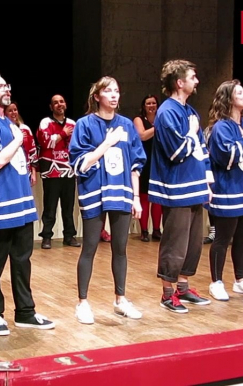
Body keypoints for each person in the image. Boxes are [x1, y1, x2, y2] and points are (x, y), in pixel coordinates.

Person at [0, 70, 55, 336]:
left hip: (21, 204)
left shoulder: (9, 122)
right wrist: (18, 139)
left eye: (7, 84)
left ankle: (26, 312)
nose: (7, 89)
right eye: (0, 86)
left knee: (22, 261)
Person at [69, 76, 145, 324]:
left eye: (117, 91)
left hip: (122, 192)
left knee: (120, 248)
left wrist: (136, 197)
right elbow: (81, 163)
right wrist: (106, 144)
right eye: (108, 91)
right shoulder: (84, 124)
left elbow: (135, 164)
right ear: (97, 96)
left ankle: (120, 299)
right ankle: (82, 302)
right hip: (94, 193)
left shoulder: (126, 125)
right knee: (89, 247)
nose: (114, 95)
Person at [148, 59, 212, 313]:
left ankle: (183, 289)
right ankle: (167, 294)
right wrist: (192, 131)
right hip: (176, 188)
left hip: (195, 186)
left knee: (193, 242)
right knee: (175, 243)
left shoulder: (190, 111)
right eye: (192, 77)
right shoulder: (167, 112)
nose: (196, 81)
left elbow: (201, 151)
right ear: (179, 82)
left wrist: (208, 181)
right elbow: (177, 152)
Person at [205, 80, 243, 301]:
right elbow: (226, 157)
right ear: (229, 98)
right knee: (223, 238)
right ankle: (216, 281)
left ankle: (241, 280)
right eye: (240, 92)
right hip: (228, 190)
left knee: (242, 238)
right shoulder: (221, 127)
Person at [36, 94, 80, 249]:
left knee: (68, 207)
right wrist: (62, 134)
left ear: (65, 104)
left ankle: (69, 235)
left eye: (61, 101)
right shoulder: (45, 122)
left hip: (68, 171)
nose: (59, 104)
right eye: (55, 102)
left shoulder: (73, 123)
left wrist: (59, 137)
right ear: (51, 107)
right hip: (51, 172)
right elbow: (46, 142)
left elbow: (77, 145)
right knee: (50, 206)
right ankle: (46, 236)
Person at [133, 94, 162, 242]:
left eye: (153, 103)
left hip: (159, 161)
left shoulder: (161, 118)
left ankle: (156, 230)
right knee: (144, 197)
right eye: (148, 104)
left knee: (157, 199)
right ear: (144, 106)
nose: (151, 106)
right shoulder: (139, 120)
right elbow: (142, 136)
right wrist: (159, 126)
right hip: (144, 161)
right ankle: (144, 231)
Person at [4, 101, 39, 187]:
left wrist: (33, 173)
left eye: (15, 110)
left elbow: (33, 151)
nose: (13, 113)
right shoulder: (3, 130)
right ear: (4, 113)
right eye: (10, 110)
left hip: (26, 171)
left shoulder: (25, 129)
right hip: (9, 171)